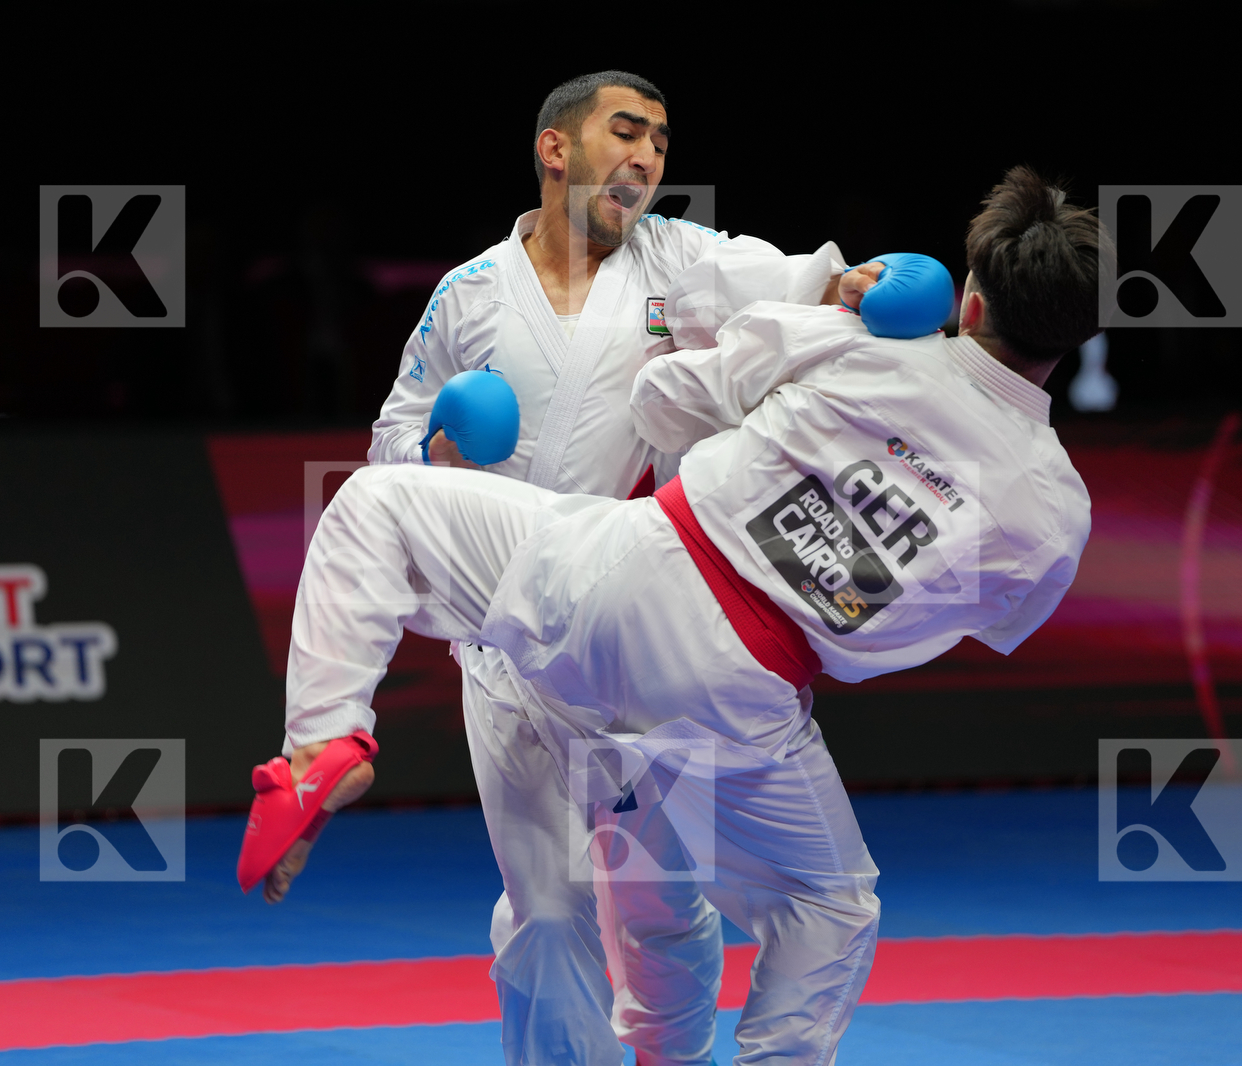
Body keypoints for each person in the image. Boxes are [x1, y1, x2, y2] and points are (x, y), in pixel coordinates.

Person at [259, 165, 1107, 1065]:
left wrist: (809, 354)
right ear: (1080, 338)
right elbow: (984, 623)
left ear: (969, 300)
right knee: (829, 908)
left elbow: (660, 403)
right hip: (745, 693)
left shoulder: (863, 343)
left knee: (375, 508)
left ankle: (324, 741)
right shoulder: (1055, 512)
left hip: (624, 573)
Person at [361, 70, 874, 1066]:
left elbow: (792, 278)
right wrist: (428, 453)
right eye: (625, 132)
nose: (645, 156)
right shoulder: (466, 294)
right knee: (547, 917)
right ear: (557, 150)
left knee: (662, 910)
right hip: (506, 649)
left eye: (661, 143)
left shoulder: (678, 261)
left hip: (631, 644)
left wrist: (849, 283)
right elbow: (393, 429)